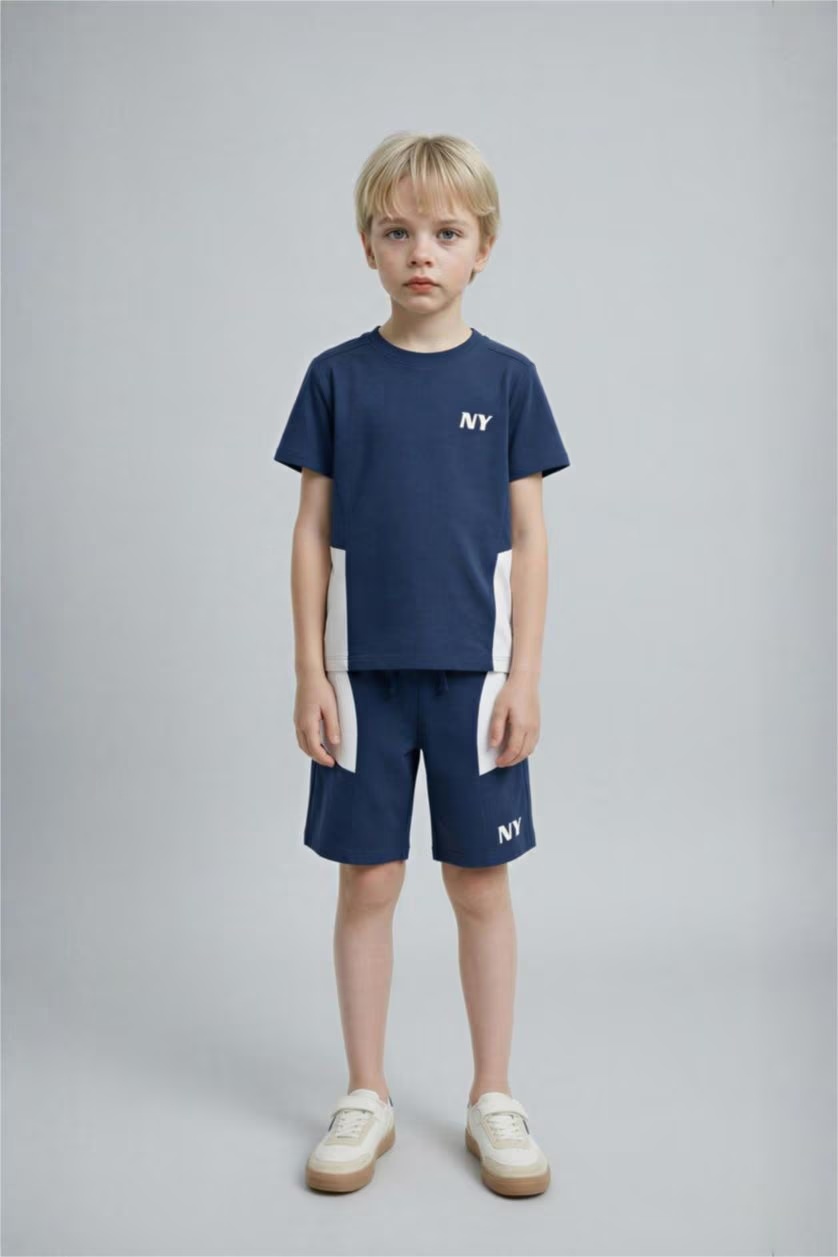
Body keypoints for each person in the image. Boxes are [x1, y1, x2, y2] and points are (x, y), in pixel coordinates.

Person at [272, 132, 571, 1197]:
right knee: (369, 880)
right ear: (368, 245)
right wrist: (309, 669)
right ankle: (366, 1093)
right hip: (361, 681)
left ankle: (494, 1095)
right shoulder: (335, 378)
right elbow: (311, 531)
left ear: (482, 247)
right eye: (397, 232)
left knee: (479, 882)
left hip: (476, 682)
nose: (421, 253)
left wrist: (525, 676)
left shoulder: (510, 380)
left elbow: (529, 539)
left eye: (445, 233)